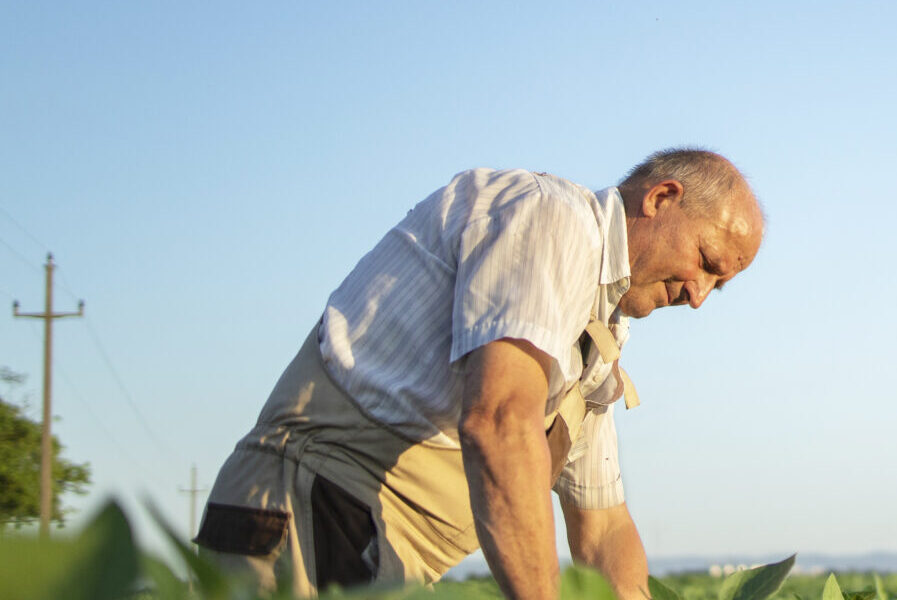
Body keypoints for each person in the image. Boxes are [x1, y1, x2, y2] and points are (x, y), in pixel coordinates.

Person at [193, 148, 764, 600]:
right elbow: (497, 423)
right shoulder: (553, 221)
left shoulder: (600, 337)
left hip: (379, 553)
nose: (698, 297)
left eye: (719, 285)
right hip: (310, 511)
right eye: (706, 263)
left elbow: (604, 528)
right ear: (662, 197)